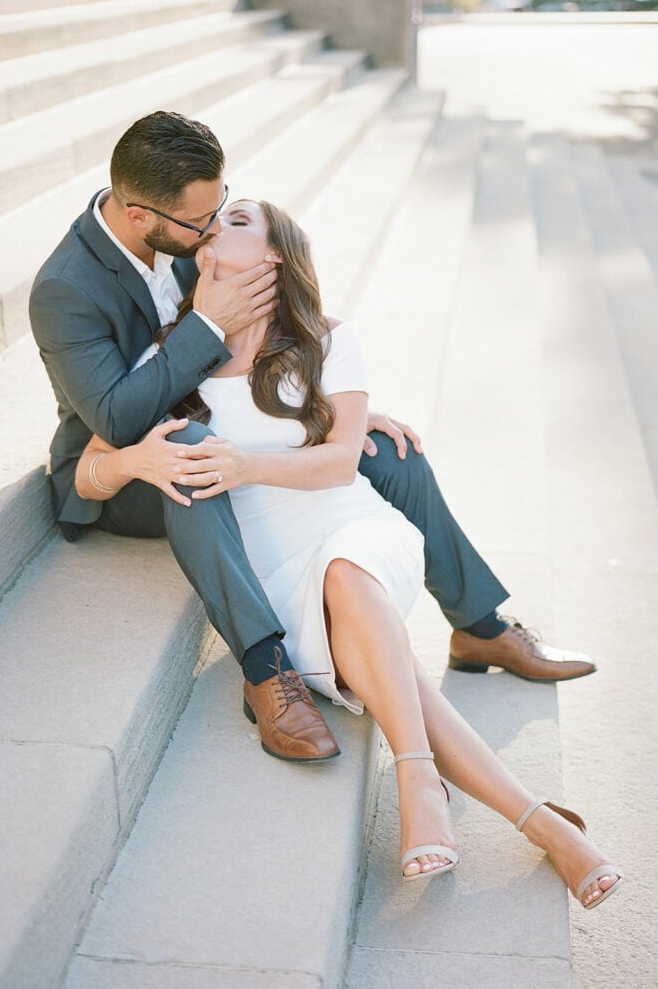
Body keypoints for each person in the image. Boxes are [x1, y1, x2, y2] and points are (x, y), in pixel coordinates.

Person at [74, 198, 622, 907]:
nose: (216, 224)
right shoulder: (171, 353)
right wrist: (135, 464)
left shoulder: (325, 340)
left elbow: (337, 464)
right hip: (268, 568)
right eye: (214, 221)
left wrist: (246, 463)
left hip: (350, 523)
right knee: (392, 668)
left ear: (273, 258)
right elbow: (92, 465)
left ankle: (420, 776)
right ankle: (542, 823)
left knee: (346, 570)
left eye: (238, 219)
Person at [29, 110, 595, 765]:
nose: (214, 232)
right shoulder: (65, 289)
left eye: (221, 212)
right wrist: (205, 327)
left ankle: (480, 627)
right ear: (138, 216)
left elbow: (275, 318)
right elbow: (115, 420)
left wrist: (337, 404)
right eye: (200, 223)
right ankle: (268, 670)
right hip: (124, 470)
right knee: (189, 449)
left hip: (223, 418)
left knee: (385, 451)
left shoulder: (188, 234)